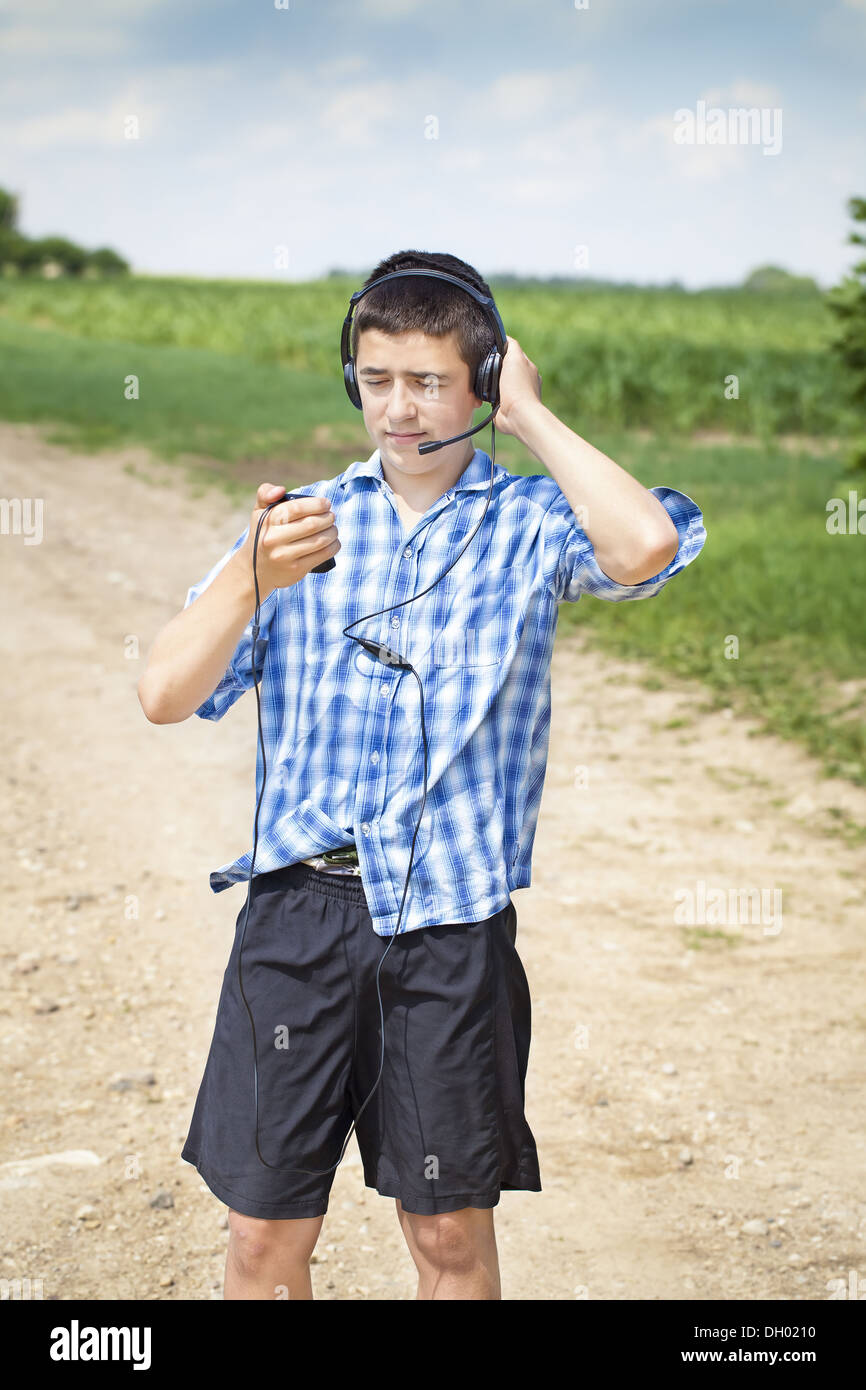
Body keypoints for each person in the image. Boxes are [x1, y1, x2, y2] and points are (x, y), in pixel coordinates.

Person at [137, 249, 707, 1300]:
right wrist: (250, 578)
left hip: (448, 926)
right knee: (262, 1240)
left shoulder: (529, 527)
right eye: (375, 377)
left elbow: (641, 544)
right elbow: (166, 691)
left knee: (445, 1239)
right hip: (296, 921)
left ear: (481, 382)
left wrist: (530, 416)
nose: (397, 408)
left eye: (430, 380)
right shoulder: (298, 522)